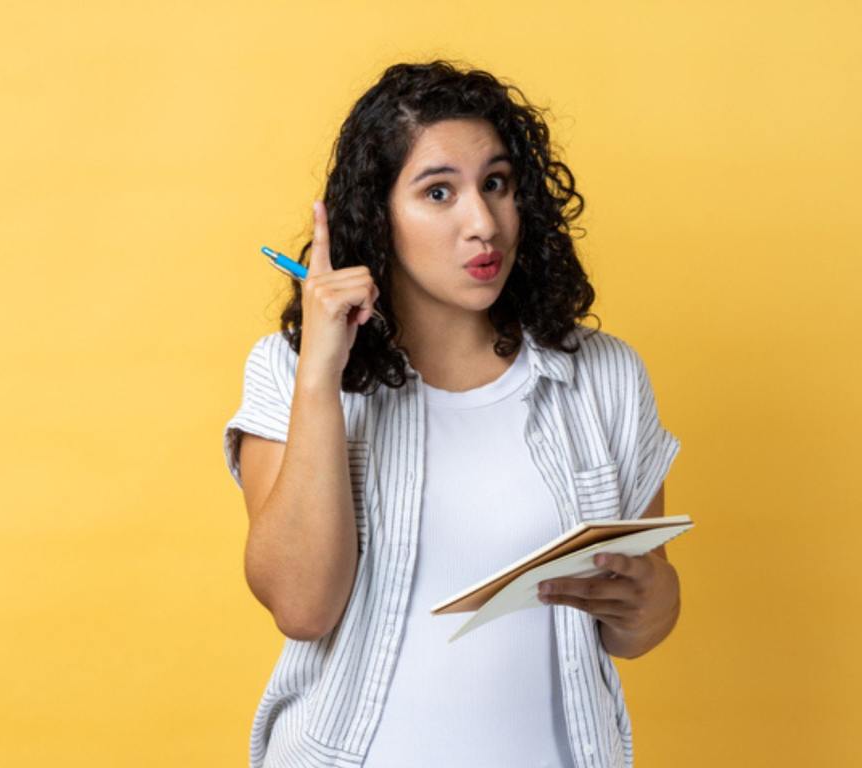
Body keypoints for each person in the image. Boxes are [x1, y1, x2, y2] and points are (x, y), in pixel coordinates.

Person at [223, 60, 682, 768]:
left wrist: (650, 597)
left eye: (495, 184)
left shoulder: (604, 377)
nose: (483, 223)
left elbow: (637, 629)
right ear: (379, 215)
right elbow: (302, 607)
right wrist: (321, 373)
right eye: (439, 192)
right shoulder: (288, 370)